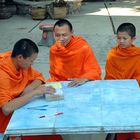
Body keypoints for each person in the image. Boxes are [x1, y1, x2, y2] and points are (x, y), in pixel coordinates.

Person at [0, 38, 62, 140]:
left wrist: (28, 89)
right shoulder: (3, 75)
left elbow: (39, 77)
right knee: (38, 125)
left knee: (48, 124)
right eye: (31, 61)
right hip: (5, 118)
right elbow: (6, 109)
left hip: (18, 105)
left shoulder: (17, 62)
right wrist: (35, 92)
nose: (31, 64)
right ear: (20, 57)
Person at [104, 23, 140, 140]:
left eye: (125, 38)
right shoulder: (113, 54)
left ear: (133, 39)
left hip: (134, 93)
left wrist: (130, 88)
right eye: (119, 38)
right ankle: (115, 133)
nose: (121, 41)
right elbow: (109, 77)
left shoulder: (138, 55)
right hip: (116, 93)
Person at [47, 19, 101, 86]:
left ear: (71, 32)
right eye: (57, 35)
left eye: (64, 35)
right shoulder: (54, 50)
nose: (61, 39)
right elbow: (54, 75)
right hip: (61, 84)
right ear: (53, 34)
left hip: (81, 83)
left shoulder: (82, 47)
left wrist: (84, 78)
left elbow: (93, 69)